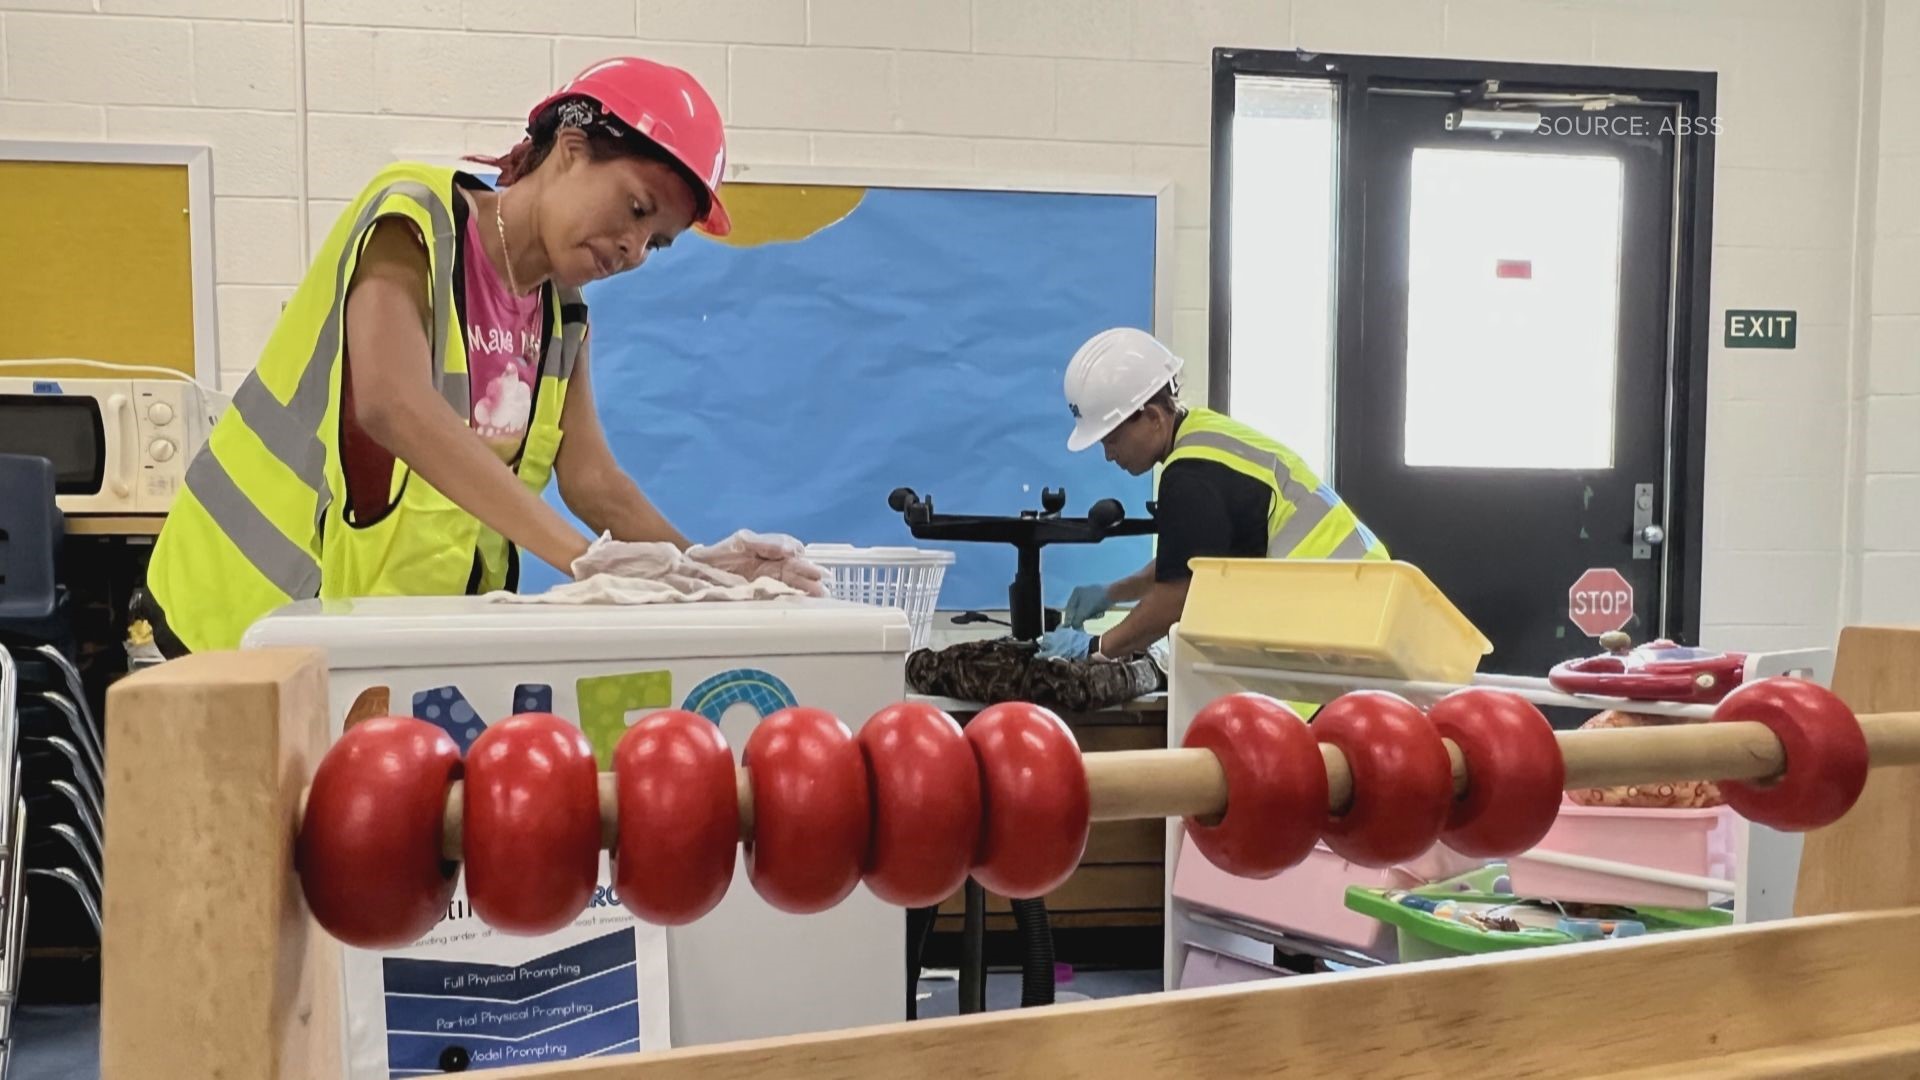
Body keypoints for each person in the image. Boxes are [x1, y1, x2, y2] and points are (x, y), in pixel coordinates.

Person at [141, 57, 822, 658]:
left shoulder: (563, 311)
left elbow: (590, 478)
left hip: (373, 643)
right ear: (572, 149)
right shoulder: (415, 217)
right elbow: (392, 402)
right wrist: (587, 562)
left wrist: (702, 572)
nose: (634, 249)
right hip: (235, 619)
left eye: (658, 241)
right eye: (636, 208)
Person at [1037, 327, 1388, 661]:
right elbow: (1194, 557)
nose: (1109, 454)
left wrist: (1097, 646)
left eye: (1111, 439)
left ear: (1154, 417)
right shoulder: (1204, 436)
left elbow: (1177, 596)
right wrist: (1113, 592)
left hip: (1342, 620)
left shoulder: (1190, 476)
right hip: (1364, 599)